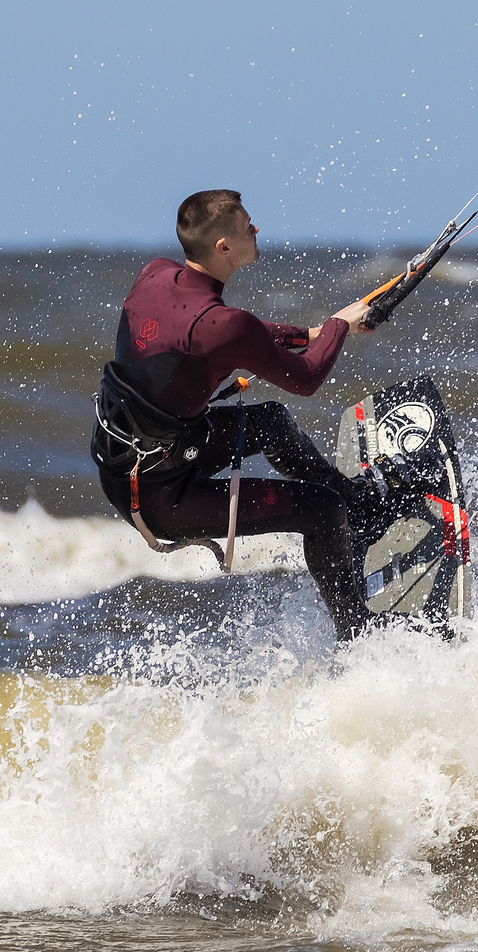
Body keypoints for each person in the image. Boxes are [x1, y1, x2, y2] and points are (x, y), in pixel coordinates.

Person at [90, 189, 387, 639]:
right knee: (320, 511)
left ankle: (360, 507)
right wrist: (338, 326)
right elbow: (306, 379)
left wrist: (308, 332)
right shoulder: (222, 325)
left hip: (136, 463)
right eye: (247, 225)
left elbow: (238, 333)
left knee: (269, 421)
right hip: (158, 497)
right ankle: (358, 637)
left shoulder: (154, 274)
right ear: (222, 247)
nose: (256, 229)